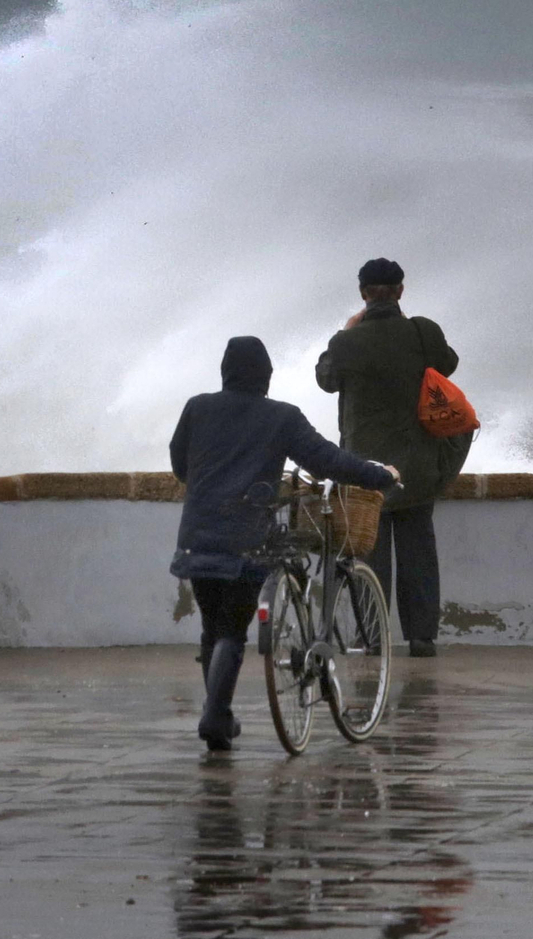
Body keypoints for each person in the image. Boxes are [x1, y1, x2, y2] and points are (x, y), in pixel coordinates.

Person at [170, 336, 398, 752]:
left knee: (213, 627)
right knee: (232, 631)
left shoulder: (197, 407)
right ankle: (215, 716)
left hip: (198, 534)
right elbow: (328, 461)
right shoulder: (280, 417)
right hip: (247, 537)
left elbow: (180, 465)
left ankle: (217, 716)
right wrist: (377, 474)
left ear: (225, 372)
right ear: (267, 377)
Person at [315, 258, 470, 659]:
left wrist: (346, 331)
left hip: (366, 471)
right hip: (418, 466)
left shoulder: (346, 342)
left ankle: (373, 638)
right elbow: (448, 364)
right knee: (419, 549)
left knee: (371, 551)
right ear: (401, 290)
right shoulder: (423, 331)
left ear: (363, 294)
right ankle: (422, 639)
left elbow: (325, 380)